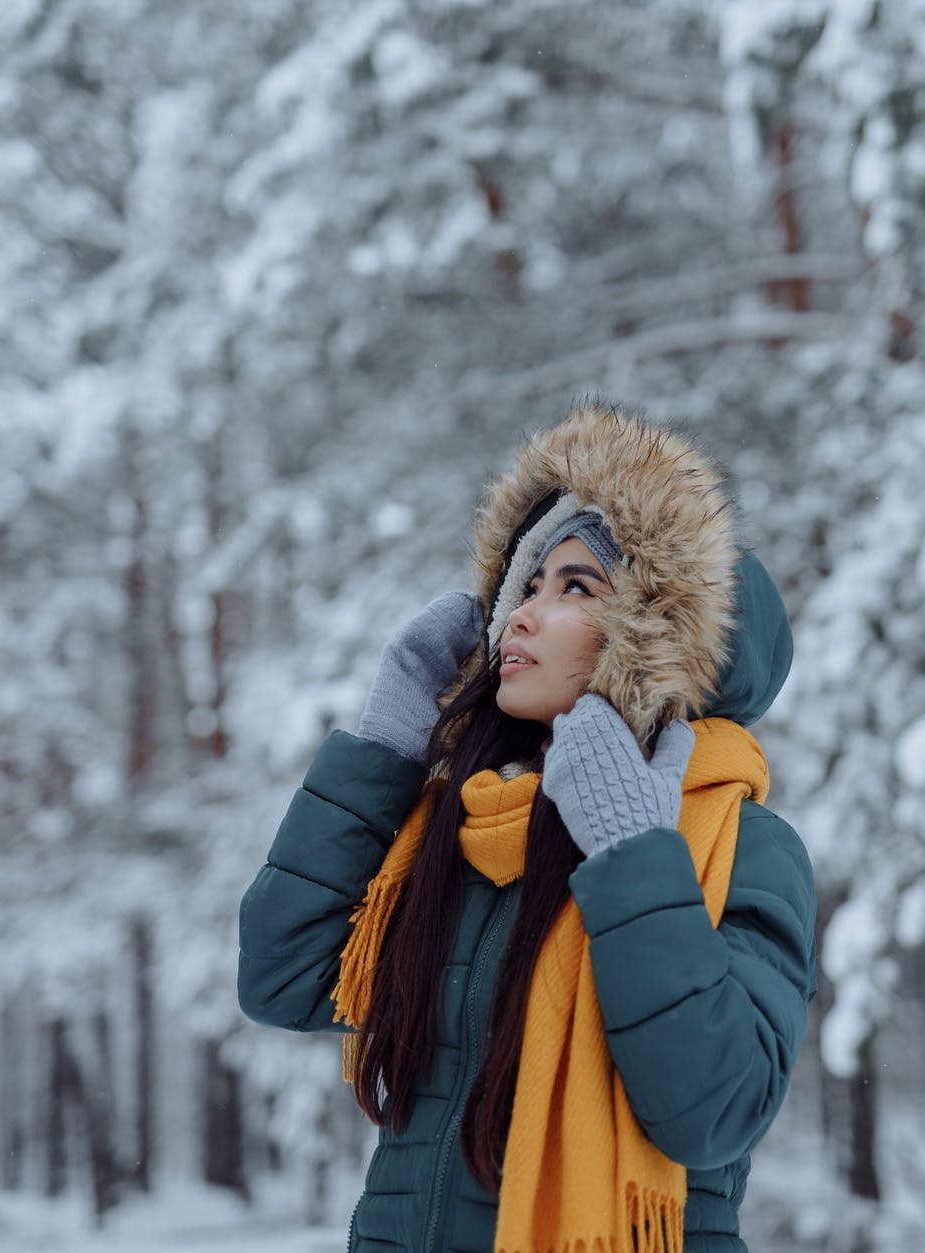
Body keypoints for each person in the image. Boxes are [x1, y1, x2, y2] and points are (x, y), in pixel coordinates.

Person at [237, 402, 817, 1253]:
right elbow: (281, 978)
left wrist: (631, 854)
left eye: (575, 587)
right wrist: (385, 752)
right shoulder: (467, 831)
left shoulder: (742, 845)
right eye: (527, 584)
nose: (521, 613)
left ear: (656, 637)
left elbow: (713, 1109)